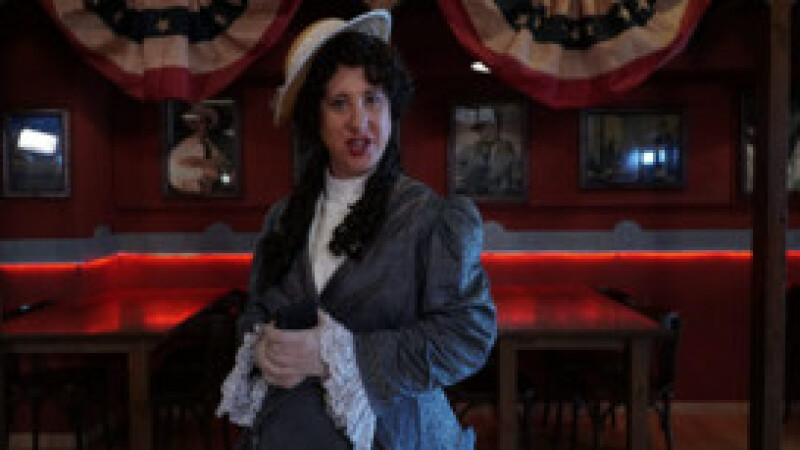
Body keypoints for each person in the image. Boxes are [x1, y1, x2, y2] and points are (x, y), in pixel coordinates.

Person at [216, 9, 496, 450]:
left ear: (392, 108)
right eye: (339, 103)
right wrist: (262, 349)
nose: (358, 121)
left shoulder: (429, 218)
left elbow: (468, 336)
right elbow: (256, 312)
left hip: (401, 440)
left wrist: (339, 356)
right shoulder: (284, 219)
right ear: (316, 118)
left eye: (372, 99)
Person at [167, 103, 230, 194]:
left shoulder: (209, 144)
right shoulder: (184, 146)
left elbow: (222, 161)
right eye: (200, 122)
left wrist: (219, 167)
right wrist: (201, 172)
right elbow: (173, 171)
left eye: (207, 121)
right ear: (193, 125)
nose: (204, 126)